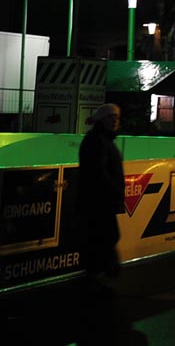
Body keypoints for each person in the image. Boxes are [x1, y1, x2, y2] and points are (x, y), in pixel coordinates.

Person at [77, 102, 125, 281]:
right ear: (102, 120)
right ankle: (100, 273)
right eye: (111, 118)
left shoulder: (100, 140)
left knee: (105, 236)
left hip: (100, 202)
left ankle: (100, 272)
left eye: (117, 118)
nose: (115, 121)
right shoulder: (97, 141)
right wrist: (115, 191)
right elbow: (98, 172)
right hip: (99, 202)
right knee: (106, 236)